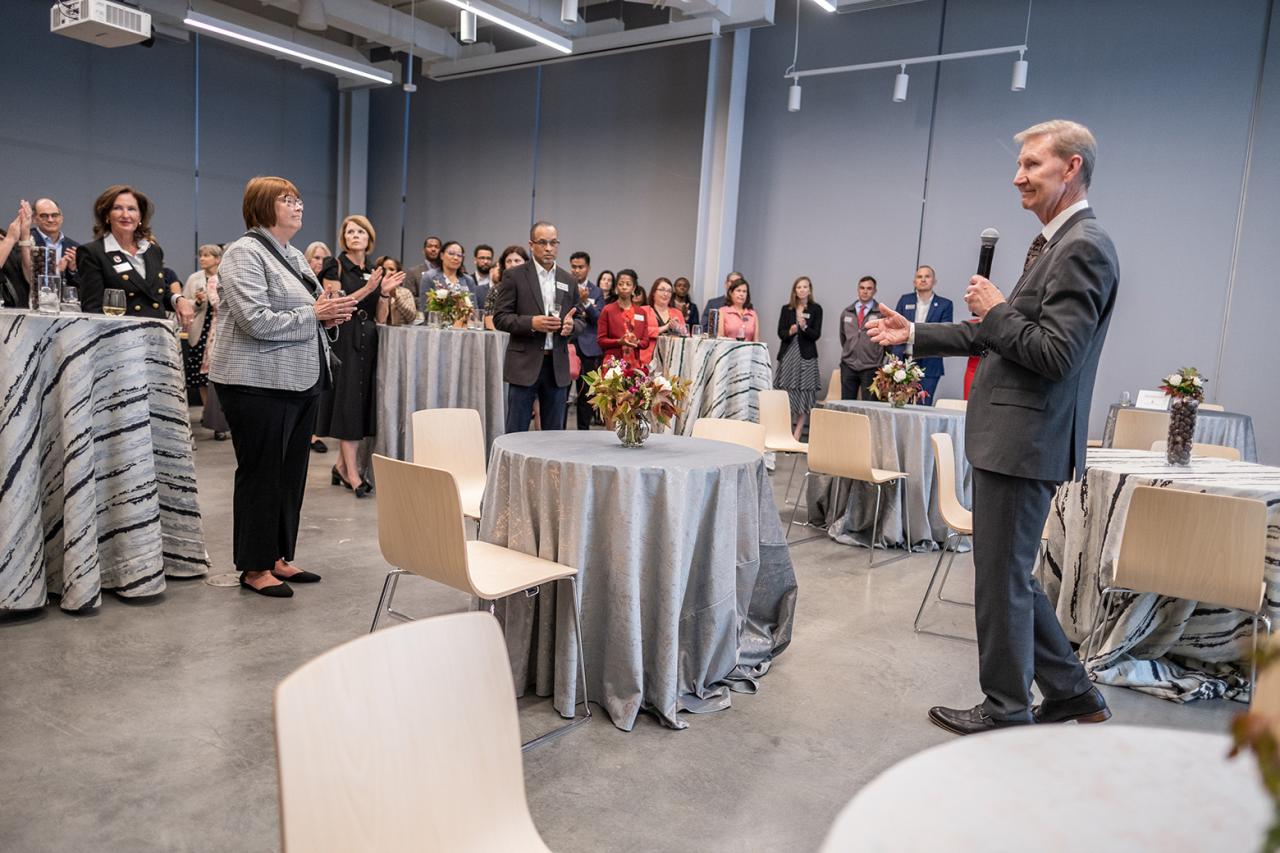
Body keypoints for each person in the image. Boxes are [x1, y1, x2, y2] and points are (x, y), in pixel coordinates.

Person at [868, 119, 1118, 735]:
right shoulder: (1054, 244)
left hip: (1024, 438)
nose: (1019, 177)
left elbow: (1055, 354)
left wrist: (999, 308)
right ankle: (1071, 692)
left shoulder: (1082, 246)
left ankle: (1006, 708)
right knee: (1009, 574)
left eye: (1033, 164)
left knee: (1001, 579)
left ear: (1072, 168)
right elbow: (998, 334)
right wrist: (915, 336)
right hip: (1013, 437)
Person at [207, 175, 357, 597]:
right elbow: (255, 321)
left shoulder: (291, 255)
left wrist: (328, 317)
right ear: (262, 206)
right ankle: (254, 568)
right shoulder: (243, 253)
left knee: (290, 475)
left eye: (299, 198)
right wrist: (315, 313)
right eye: (287, 199)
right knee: (261, 474)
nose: (298, 206)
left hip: (298, 379)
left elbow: (310, 312)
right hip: (256, 382)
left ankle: (277, 557)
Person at [316, 215, 404, 498]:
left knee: (361, 401)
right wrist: (368, 288)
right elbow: (332, 302)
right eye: (350, 231)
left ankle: (341, 466)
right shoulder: (335, 264)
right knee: (349, 403)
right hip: (344, 335)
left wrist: (385, 294)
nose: (355, 235)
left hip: (369, 336)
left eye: (360, 231)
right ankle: (353, 475)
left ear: (369, 238)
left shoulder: (374, 269)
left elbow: (380, 317)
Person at [493, 221, 584, 433]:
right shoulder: (514, 276)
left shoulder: (568, 280)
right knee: (516, 431)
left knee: (553, 434)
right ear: (531, 245)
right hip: (524, 364)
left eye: (553, 243)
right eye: (543, 242)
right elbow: (500, 318)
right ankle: (513, 467)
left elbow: (581, 319)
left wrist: (572, 326)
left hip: (557, 366)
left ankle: (551, 468)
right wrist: (531, 323)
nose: (549, 248)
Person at [76, 186, 193, 329]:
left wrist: (178, 299)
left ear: (140, 217)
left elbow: (155, 292)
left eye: (132, 209)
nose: (126, 215)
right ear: (106, 215)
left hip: (157, 336)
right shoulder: (92, 252)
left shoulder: (153, 250)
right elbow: (92, 310)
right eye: (117, 208)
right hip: (120, 340)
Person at [890, 265, 953, 405]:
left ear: (934, 281)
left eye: (927, 276)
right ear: (914, 282)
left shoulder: (945, 304)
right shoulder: (905, 300)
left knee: (923, 404)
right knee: (899, 403)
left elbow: (946, 333)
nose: (923, 279)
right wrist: (895, 360)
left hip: (930, 363)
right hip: (904, 362)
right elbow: (895, 328)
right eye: (919, 276)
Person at [775, 276, 823, 439]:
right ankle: (786, 431)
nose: (802, 290)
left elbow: (816, 335)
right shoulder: (786, 309)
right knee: (786, 393)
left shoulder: (816, 309)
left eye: (805, 287)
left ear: (810, 290)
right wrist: (791, 331)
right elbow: (781, 333)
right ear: (794, 290)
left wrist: (805, 327)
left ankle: (797, 433)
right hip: (789, 355)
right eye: (799, 287)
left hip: (806, 357)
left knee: (805, 394)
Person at [182, 244, 222, 409]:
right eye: (201, 255)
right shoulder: (194, 278)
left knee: (217, 374)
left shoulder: (224, 276)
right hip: (200, 330)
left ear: (217, 259)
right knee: (200, 375)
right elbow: (185, 303)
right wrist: (198, 301)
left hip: (218, 330)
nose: (202, 259)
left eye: (207, 255)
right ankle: (207, 412)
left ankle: (219, 416)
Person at [302, 241, 332, 453]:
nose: (320, 262)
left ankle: (316, 431)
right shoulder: (303, 281)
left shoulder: (330, 282)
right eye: (316, 257)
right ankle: (309, 434)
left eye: (324, 258)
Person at [568, 251, 603, 430]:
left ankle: (583, 432)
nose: (576, 270)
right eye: (573, 266)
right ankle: (556, 433)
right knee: (562, 394)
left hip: (589, 348)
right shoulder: (564, 286)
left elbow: (598, 319)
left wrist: (587, 304)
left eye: (580, 267)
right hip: (568, 345)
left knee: (586, 395)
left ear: (588, 268)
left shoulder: (596, 291)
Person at [838, 276, 885, 400]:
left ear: (874, 291)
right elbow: (843, 337)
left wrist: (876, 356)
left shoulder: (881, 313)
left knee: (869, 407)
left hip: (871, 367)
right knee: (847, 406)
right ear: (857, 290)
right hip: (848, 366)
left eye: (869, 288)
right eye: (862, 288)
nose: (865, 291)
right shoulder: (847, 312)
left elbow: (887, 343)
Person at [597, 268, 649, 369]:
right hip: (612, 364)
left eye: (628, 284)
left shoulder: (641, 312)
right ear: (616, 287)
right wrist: (619, 342)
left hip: (635, 364)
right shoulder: (607, 310)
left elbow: (645, 342)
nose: (624, 287)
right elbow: (601, 340)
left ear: (634, 288)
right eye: (621, 284)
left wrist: (636, 342)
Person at [31, 198, 80, 289]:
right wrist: (57, 272)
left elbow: (80, 287)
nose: (50, 220)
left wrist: (72, 271)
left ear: (61, 218)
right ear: (34, 219)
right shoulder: (26, 243)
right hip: (32, 300)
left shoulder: (74, 247)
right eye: (44, 216)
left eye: (54, 215)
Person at [484, 245, 528, 330]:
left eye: (517, 260)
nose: (513, 264)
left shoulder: (533, 287)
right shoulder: (496, 289)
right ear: (504, 265)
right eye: (509, 261)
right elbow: (490, 322)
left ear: (526, 263)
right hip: (500, 337)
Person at [0, 200, 33, 307]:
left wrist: (24, 235)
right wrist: (10, 239)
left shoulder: (4, 236)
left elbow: (31, 278)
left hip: (20, 313)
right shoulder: (8, 238)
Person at [424, 240, 476, 304]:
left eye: (459, 255)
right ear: (441, 256)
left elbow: (474, 309)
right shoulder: (429, 277)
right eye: (451, 254)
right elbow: (425, 308)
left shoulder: (468, 280)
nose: (456, 258)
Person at [375, 255, 417, 326]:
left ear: (398, 272)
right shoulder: (374, 291)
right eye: (384, 269)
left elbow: (411, 317)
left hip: (399, 334)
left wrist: (396, 297)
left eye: (391, 269)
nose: (388, 272)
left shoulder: (405, 292)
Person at [717, 277, 758, 341]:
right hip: (728, 349)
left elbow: (756, 340)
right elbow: (720, 337)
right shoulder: (723, 311)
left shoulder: (753, 314)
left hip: (748, 350)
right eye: (738, 291)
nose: (741, 294)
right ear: (731, 293)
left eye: (744, 291)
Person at [404, 235, 442, 299]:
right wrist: (432, 304)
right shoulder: (413, 272)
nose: (433, 249)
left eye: (437, 247)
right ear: (423, 251)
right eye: (429, 246)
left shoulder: (447, 271)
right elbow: (408, 299)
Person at [473, 243, 496, 308]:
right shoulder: (468, 280)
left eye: (488, 258)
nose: (485, 261)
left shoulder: (496, 281)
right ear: (475, 260)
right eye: (482, 258)